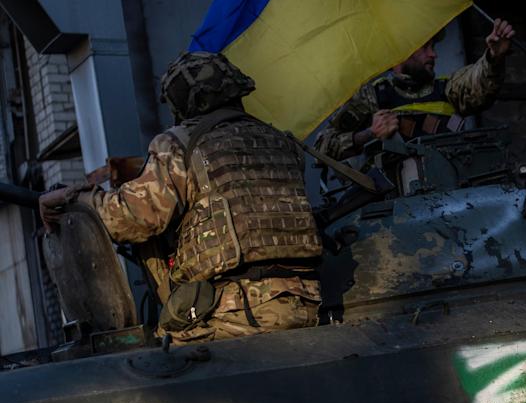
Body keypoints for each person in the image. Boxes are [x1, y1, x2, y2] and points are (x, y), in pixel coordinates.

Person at [39, 51, 323, 344]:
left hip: (235, 313)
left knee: (154, 365)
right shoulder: (281, 142)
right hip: (307, 300)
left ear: (185, 102)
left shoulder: (180, 143)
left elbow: (129, 218)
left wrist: (74, 198)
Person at [314, 18, 516, 161]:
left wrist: (494, 57)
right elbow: (322, 146)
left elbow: (478, 84)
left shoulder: (448, 89)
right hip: (396, 204)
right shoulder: (370, 97)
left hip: (452, 191)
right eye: (425, 47)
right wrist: (369, 134)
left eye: (433, 47)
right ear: (402, 52)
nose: (433, 55)